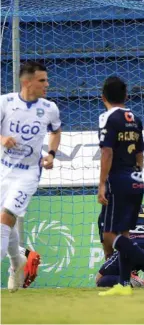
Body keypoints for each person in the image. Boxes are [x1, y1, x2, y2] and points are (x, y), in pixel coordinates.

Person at [97, 76, 144, 296]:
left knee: (110, 236)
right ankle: (124, 284)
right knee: (125, 234)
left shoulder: (107, 117)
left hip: (117, 180)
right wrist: (136, 174)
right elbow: (139, 152)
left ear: (103, 97)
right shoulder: (135, 118)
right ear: (126, 96)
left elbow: (107, 152)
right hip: (136, 180)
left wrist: (101, 183)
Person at [0, 61, 61, 292]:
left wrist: (52, 154)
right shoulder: (5, 102)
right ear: (27, 82)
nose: (47, 84)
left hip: (27, 174)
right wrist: (2, 139)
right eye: (42, 80)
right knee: (6, 222)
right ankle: (17, 262)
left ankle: (13, 265)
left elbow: (55, 132)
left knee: (5, 218)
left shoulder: (49, 108)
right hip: (3, 169)